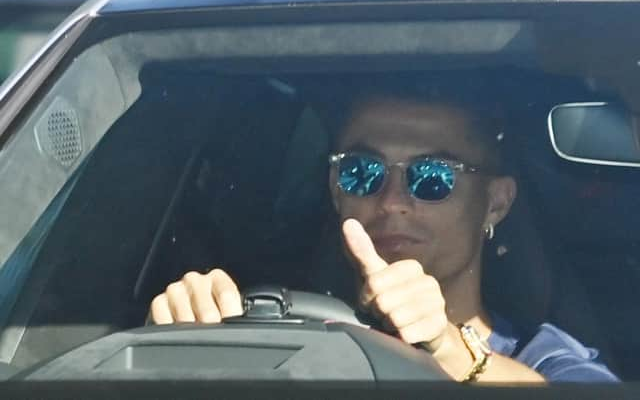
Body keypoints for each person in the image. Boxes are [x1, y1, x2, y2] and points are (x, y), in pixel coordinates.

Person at [149, 76, 618, 383]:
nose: (392, 201)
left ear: (495, 204)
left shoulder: (543, 356)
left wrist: (448, 348)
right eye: (362, 171)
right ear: (336, 189)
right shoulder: (272, 341)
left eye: (433, 177)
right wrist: (171, 348)